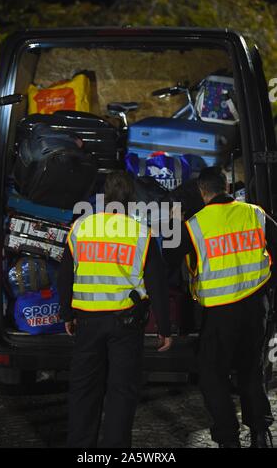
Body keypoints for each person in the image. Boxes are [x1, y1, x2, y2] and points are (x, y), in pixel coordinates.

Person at [58, 171, 173, 448]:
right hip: (125, 324)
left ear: (105, 197)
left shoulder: (81, 228)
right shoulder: (142, 234)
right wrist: (165, 329)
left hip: (87, 322)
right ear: (132, 199)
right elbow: (157, 285)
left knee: (84, 390)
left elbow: (64, 277)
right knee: (121, 392)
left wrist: (67, 314)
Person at [164, 166, 276, 448]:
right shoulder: (255, 214)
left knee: (212, 374)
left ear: (203, 192)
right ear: (226, 187)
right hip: (256, 307)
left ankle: (228, 437)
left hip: (220, 312)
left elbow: (168, 262)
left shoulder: (195, 225)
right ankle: (260, 434)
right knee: (251, 370)